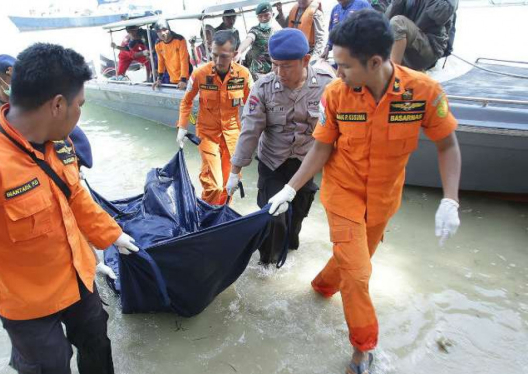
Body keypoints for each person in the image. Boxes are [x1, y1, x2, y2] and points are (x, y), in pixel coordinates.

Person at [266, 10, 461, 373]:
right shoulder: (336, 95)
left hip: (384, 199)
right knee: (358, 273)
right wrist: (291, 190)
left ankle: (321, 288)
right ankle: (363, 349)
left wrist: (450, 199)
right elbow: (321, 147)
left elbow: (447, 145)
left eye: (344, 65)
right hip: (342, 193)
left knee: (350, 265)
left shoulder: (423, 92)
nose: (337, 72)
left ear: (375, 61)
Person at [0, 43, 140, 374]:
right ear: (57, 104)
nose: (80, 113)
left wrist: (113, 235)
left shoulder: (58, 140)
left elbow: (75, 196)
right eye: (79, 104)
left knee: (97, 345)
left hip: (77, 277)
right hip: (26, 302)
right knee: (49, 366)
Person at [227, 29, 334, 264]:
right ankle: (266, 266)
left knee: (296, 220)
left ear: (305, 60)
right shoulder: (263, 88)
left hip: (306, 164)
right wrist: (235, 172)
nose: (278, 72)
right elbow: (249, 131)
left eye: (286, 66)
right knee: (273, 217)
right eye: (275, 65)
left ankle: (289, 254)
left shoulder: (328, 86)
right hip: (273, 163)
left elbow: (337, 133)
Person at [177, 30, 252, 206]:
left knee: (229, 185)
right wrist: (182, 126)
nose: (218, 61)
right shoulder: (199, 74)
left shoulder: (244, 75)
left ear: (234, 54)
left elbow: (253, 107)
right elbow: (186, 101)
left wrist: (255, 135)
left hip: (233, 137)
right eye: (214, 55)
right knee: (214, 185)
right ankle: (206, 215)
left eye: (224, 56)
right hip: (208, 135)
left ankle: (222, 216)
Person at [386, 0, 458, 71]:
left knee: (398, 22)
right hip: (406, 48)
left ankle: (394, 77)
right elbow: (387, 18)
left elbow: (442, 14)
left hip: (431, 48)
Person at [235, 2, 276, 81]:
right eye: (260, 16)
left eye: (266, 15)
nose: (263, 19)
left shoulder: (275, 32)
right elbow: (248, 39)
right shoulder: (255, 30)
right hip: (258, 72)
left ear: (272, 14)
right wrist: (239, 52)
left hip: (272, 70)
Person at [152, 19, 192, 90]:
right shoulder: (158, 44)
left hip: (186, 77)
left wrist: (183, 79)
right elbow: (161, 61)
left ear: (169, 29)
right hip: (172, 78)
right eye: (159, 31)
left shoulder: (179, 39)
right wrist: (159, 79)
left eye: (164, 30)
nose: (162, 33)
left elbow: (184, 60)